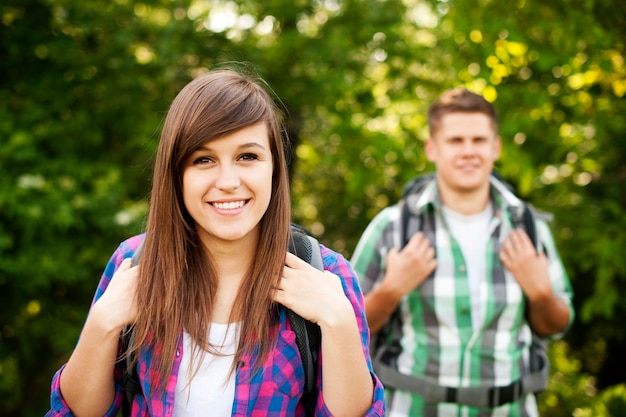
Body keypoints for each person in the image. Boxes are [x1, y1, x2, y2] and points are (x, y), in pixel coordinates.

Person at [47, 68, 385, 417]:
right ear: (176, 174)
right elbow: (77, 411)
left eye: (247, 157)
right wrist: (102, 323)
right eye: (203, 159)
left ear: (274, 168)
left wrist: (339, 321)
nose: (227, 181)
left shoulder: (327, 274)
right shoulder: (133, 262)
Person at [350, 88, 574, 417]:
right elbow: (346, 327)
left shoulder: (528, 228)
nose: (469, 151)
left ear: (495, 147)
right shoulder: (394, 227)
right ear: (432, 148)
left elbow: (557, 325)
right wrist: (391, 289)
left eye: (479, 140)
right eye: (456, 141)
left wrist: (541, 294)